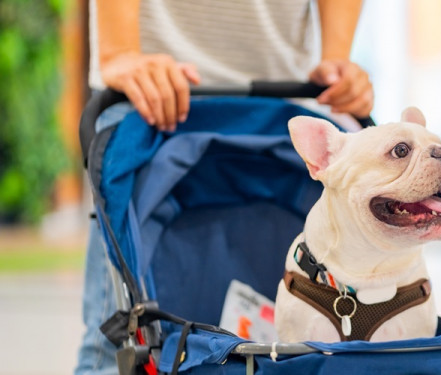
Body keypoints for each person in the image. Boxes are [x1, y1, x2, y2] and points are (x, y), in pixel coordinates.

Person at [76, 1, 373, 373]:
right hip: (150, 96)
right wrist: (118, 53)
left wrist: (336, 60)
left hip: (286, 105)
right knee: (117, 343)